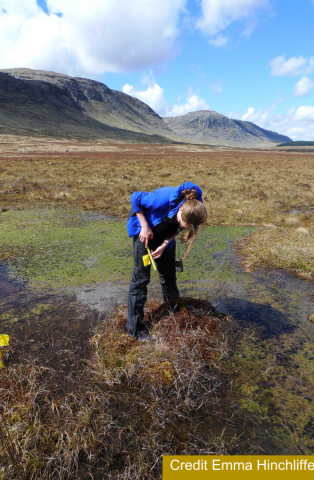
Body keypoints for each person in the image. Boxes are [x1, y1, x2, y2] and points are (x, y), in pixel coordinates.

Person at [126, 182, 207, 339]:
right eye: (184, 223)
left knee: (169, 273)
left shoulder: (195, 208)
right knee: (141, 278)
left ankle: (173, 309)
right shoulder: (161, 199)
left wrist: (164, 245)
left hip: (165, 235)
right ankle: (133, 329)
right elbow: (134, 197)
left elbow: (178, 228)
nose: (186, 227)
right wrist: (144, 227)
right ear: (181, 209)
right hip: (144, 231)